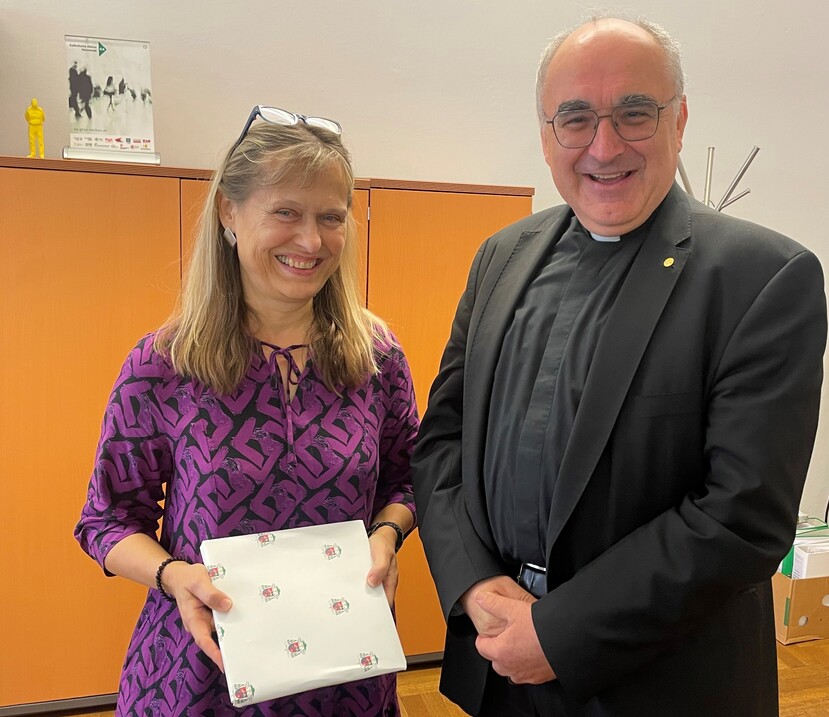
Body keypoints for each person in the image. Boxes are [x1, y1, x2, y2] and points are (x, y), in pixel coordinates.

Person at [411, 15, 826, 717]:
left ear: (679, 120)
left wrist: (558, 632)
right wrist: (472, 584)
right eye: (575, 119)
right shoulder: (500, 257)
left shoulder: (762, 277)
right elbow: (441, 442)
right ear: (546, 134)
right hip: (498, 663)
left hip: (658, 681)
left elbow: (742, 514)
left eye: (635, 113)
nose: (604, 147)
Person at [76, 106, 418, 716]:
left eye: (330, 217)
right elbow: (106, 520)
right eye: (285, 212)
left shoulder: (377, 357)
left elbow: (409, 477)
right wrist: (174, 575)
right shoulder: (164, 363)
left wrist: (386, 536)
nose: (310, 241)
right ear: (228, 213)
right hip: (200, 671)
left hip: (344, 673)